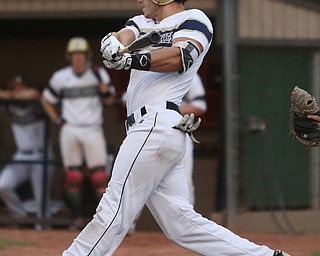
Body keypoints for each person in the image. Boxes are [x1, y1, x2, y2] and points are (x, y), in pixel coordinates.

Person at [63, 1, 289, 255]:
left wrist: (129, 60)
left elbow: (181, 57)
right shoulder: (144, 22)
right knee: (182, 225)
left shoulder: (194, 19)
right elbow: (126, 34)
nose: (141, 0)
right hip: (151, 129)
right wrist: (113, 43)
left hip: (156, 123)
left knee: (113, 210)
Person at [41, 37, 116, 230]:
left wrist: (103, 87)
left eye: (81, 54)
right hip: (70, 128)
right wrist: (57, 120)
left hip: (92, 128)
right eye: (74, 55)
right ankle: (77, 218)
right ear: (70, 57)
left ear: (87, 56)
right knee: (73, 177)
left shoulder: (98, 73)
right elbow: (46, 99)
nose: (78, 58)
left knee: (99, 177)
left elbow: (109, 100)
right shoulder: (61, 77)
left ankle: (104, 221)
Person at [0, 75, 54, 222]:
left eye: (20, 86)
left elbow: (35, 93)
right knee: (3, 186)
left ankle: (43, 229)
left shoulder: (36, 103)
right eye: (14, 86)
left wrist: (12, 94)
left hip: (41, 155)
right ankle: (21, 218)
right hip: (21, 156)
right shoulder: (10, 105)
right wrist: (10, 95)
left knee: (41, 201)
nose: (17, 89)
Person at [180, 73, 207, 206]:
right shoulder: (147, 71)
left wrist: (168, 109)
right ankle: (128, 224)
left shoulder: (190, 74)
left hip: (181, 133)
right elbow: (125, 100)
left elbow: (200, 106)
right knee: (139, 181)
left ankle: (185, 224)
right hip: (148, 131)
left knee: (184, 182)